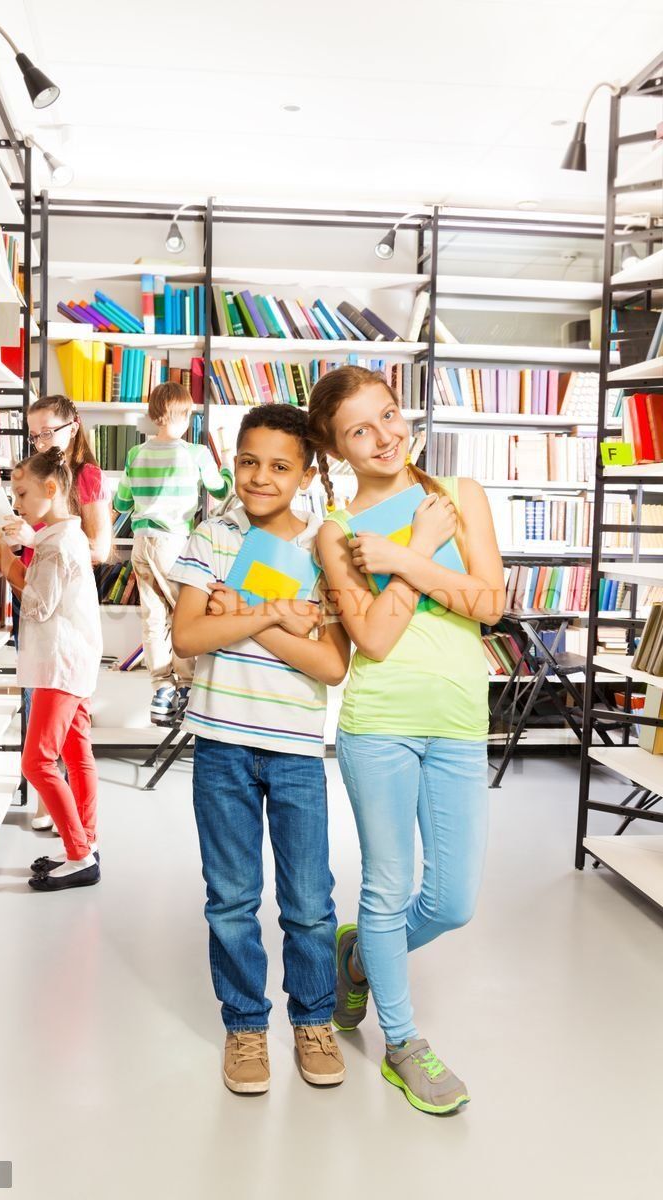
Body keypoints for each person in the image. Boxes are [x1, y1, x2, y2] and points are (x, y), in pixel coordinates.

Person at [308, 365, 505, 1116]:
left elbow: (491, 604)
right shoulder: (336, 532)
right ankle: (402, 1045)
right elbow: (373, 642)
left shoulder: (459, 497)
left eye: (389, 415)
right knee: (388, 888)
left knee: (452, 902)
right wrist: (409, 558)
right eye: (361, 429)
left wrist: (404, 558)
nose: (386, 436)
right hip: (380, 722)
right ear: (337, 448)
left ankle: (358, 956)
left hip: (459, 720)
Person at [169, 404, 350, 1096]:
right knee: (232, 898)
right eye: (249, 462)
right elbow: (187, 638)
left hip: (297, 750)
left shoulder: (322, 551)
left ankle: (313, 1019)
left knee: (308, 901)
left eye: (280, 466)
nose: (261, 477)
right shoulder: (211, 537)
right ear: (232, 462)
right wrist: (276, 613)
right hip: (220, 744)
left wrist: (243, 616)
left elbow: (331, 665)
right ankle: (245, 1026)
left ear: (308, 473)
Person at [0, 447, 103, 893]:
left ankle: (80, 855)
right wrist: (27, 544)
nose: (16, 503)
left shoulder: (56, 545)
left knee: (37, 761)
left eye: (21, 494)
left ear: (51, 489)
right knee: (76, 754)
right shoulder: (60, 536)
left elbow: (38, 605)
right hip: (74, 660)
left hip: (59, 664)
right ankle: (85, 843)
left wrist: (5, 555)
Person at [3, 396, 113, 832]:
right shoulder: (36, 476)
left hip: (58, 608)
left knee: (56, 726)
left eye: (49, 430)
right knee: (49, 715)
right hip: (35, 587)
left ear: (73, 425)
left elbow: (99, 549)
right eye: (34, 433)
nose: (42, 440)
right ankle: (69, 821)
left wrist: (38, 536)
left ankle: (64, 819)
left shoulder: (86, 476)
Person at [113, 381, 233, 727]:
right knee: (185, 612)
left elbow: (121, 503)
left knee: (152, 617)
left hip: (141, 543)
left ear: (154, 416)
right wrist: (226, 462)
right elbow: (221, 490)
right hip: (173, 543)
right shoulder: (195, 454)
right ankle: (187, 685)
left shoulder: (136, 454)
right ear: (183, 415)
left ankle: (160, 687)